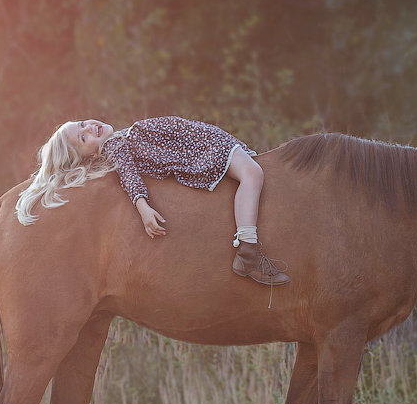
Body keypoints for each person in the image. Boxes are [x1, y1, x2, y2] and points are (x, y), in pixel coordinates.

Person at [15, 115, 290, 285]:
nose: (90, 128)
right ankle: (248, 250)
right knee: (253, 174)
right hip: (206, 151)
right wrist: (142, 206)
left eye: (83, 124)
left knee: (251, 172)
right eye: (83, 137)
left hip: (208, 143)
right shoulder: (114, 147)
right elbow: (128, 173)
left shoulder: (119, 136)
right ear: (87, 155)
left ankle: (248, 247)